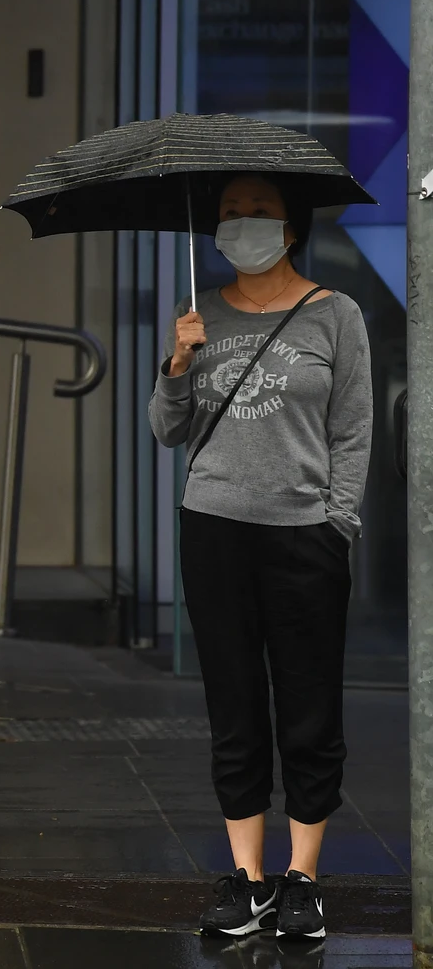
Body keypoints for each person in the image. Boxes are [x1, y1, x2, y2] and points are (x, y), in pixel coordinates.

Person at [150, 173, 372, 941]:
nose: (240, 225)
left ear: (291, 226)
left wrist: (336, 522)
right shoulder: (200, 314)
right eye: (229, 215)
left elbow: (353, 431)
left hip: (304, 534)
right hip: (214, 528)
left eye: (257, 212)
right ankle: (247, 881)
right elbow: (166, 429)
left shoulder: (335, 314)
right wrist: (178, 364)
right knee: (234, 706)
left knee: (310, 709)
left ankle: (302, 877)